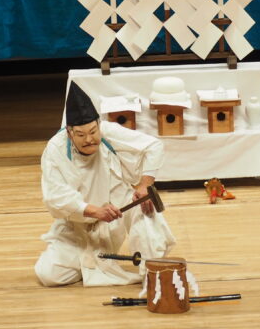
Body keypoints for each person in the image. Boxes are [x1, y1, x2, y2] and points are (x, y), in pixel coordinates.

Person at [35, 82, 176, 287]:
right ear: (69, 132)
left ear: (99, 124)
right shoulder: (55, 149)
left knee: (143, 205)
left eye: (93, 131)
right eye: (81, 135)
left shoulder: (109, 132)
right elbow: (54, 196)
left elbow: (154, 146)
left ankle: (151, 268)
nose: (89, 139)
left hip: (115, 212)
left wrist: (144, 185)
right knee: (49, 275)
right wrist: (93, 211)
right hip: (78, 222)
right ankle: (92, 260)